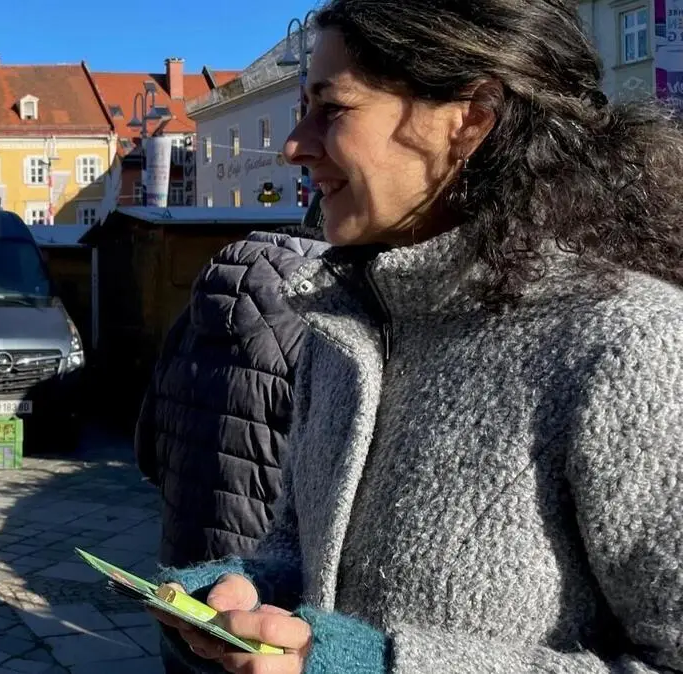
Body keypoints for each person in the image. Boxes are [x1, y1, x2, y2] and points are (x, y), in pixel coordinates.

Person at [155, 1, 683, 672]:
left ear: (469, 118)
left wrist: (372, 663)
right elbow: (296, 546)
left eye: (333, 108)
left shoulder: (629, 346)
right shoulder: (346, 327)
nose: (295, 144)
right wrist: (240, 596)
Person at [136, 196, 328, 673]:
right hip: (266, 599)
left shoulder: (193, 312)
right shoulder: (327, 327)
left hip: (186, 581)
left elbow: (147, 449)